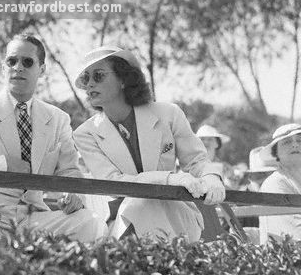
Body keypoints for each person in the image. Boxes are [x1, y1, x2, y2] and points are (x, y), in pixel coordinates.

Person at [0, 34, 107, 243]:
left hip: (34, 217)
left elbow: (69, 170)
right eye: (12, 61)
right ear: (3, 67)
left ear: (42, 70)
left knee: (89, 221)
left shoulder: (58, 118)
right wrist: (2, 163)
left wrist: (73, 195)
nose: (18, 67)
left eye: (27, 62)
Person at [73, 47, 225, 242]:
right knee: (140, 206)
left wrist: (211, 176)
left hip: (176, 215)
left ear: (123, 79)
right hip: (124, 223)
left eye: (98, 76)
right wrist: (169, 179)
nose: (90, 84)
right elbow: (112, 183)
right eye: (86, 79)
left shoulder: (169, 114)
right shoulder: (84, 134)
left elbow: (196, 161)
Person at [258, 124, 301, 243]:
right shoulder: (275, 184)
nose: (295, 144)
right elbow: (294, 234)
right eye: (286, 142)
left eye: (300, 140)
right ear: (275, 153)